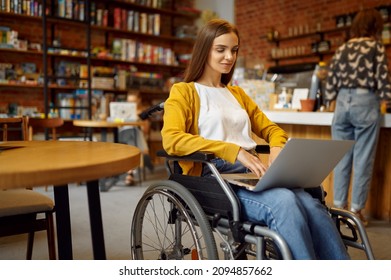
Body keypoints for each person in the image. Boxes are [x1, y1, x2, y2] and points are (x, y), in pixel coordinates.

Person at [161, 18, 349, 260]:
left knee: (311, 205)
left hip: (253, 169)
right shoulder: (184, 92)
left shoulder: (237, 94)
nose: (229, 56)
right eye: (221, 50)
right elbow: (172, 140)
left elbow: (272, 129)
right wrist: (233, 150)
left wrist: (277, 147)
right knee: (285, 203)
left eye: (234, 50)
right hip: (215, 176)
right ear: (204, 50)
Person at [325, 8, 391, 226]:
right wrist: (388, 101)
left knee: (341, 157)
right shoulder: (375, 47)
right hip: (365, 102)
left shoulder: (343, 48)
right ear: (375, 27)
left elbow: (331, 79)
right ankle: (355, 212)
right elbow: (382, 78)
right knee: (363, 159)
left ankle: (339, 208)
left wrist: (328, 100)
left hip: (342, 103)